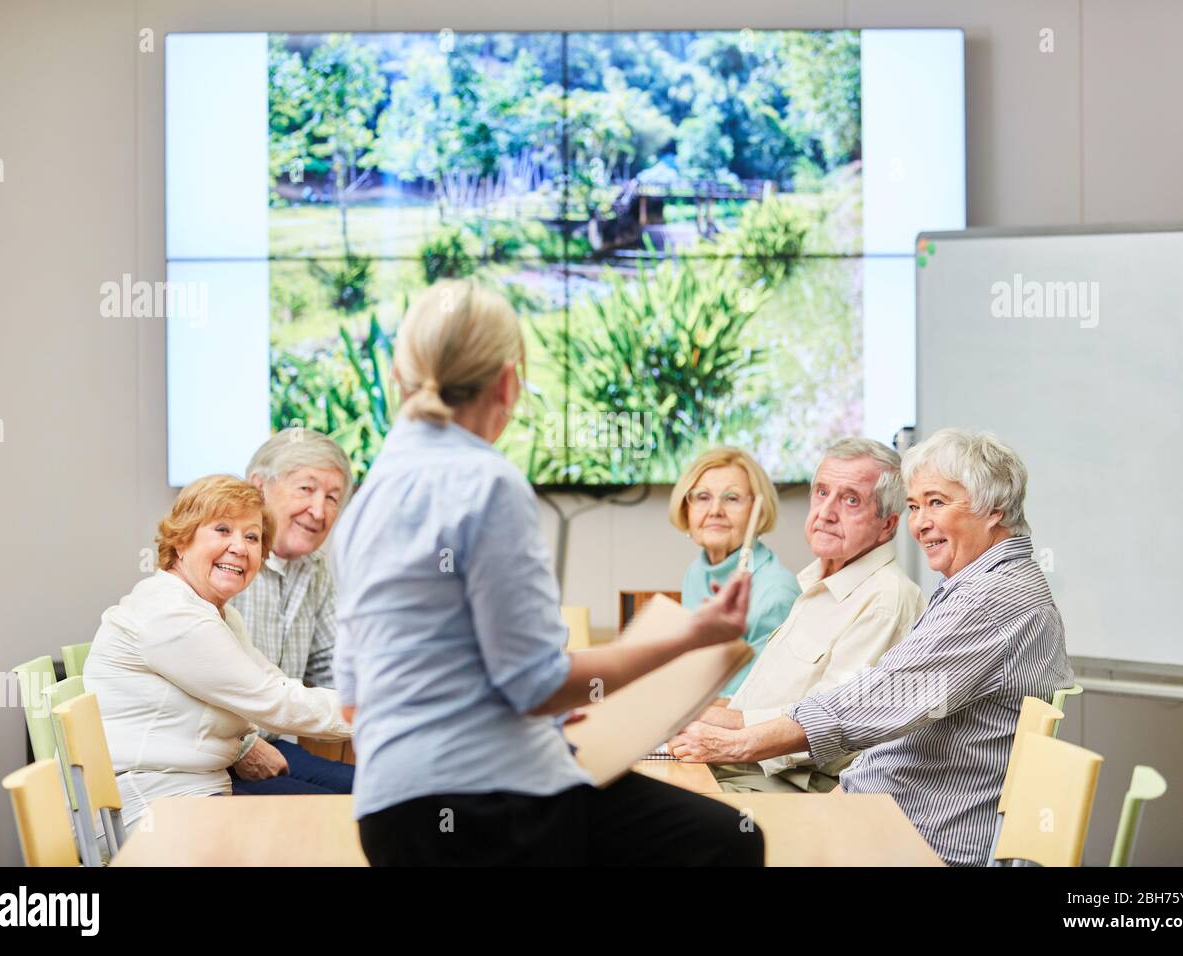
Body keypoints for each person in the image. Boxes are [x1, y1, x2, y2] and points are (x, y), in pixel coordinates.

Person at [332, 278, 764, 866]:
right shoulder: (486, 481)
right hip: (497, 804)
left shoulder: (365, 501)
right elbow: (535, 686)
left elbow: (355, 705)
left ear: (402, 376)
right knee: (726, 841)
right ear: (509, 381)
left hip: (388, 812)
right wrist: (694, 634)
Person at [669, 428, 1073, 866]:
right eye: (916, 506)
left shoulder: (993, 599)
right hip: (880, 814)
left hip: (917, 838)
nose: (920, 524)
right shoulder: (978, 586)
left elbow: (871, 702)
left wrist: (738, 744)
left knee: (670, 830)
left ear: (993, 509)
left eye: (936, 503)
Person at [83, 475, 351, 829]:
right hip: (148, 806)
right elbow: (275, 702)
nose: (240, 547)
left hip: (196, 791)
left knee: (346, 819)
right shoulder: (172, 615)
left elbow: (272, 685)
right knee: (337, 828)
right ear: (181, 542)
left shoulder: (217, 613)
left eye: (252, 537)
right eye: (222, 530)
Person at [681, 438, 926, 793]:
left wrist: (724, 727)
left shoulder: (885, 600)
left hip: (786, 786)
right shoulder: (816, 584)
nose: (826, 512)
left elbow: (827, 726)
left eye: (851, 500)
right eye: (821, 492)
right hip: (741, 765)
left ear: (887, 525)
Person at [227, 428, 355, 795]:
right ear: (258, 487)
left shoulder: (313, 569)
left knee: (381, 795)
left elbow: (336, 667)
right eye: (306, 488)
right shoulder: (227, 564)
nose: (318, 510)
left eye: (332, 497)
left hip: (276, 745)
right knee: (339, 813)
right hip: (217, 756)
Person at [669, 447, 800, 695]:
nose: (715, 510)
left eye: (732, 498)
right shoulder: (696, 572)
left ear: (758, 511)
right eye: (703, 497)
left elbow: (754, 705)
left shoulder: (776, 594)